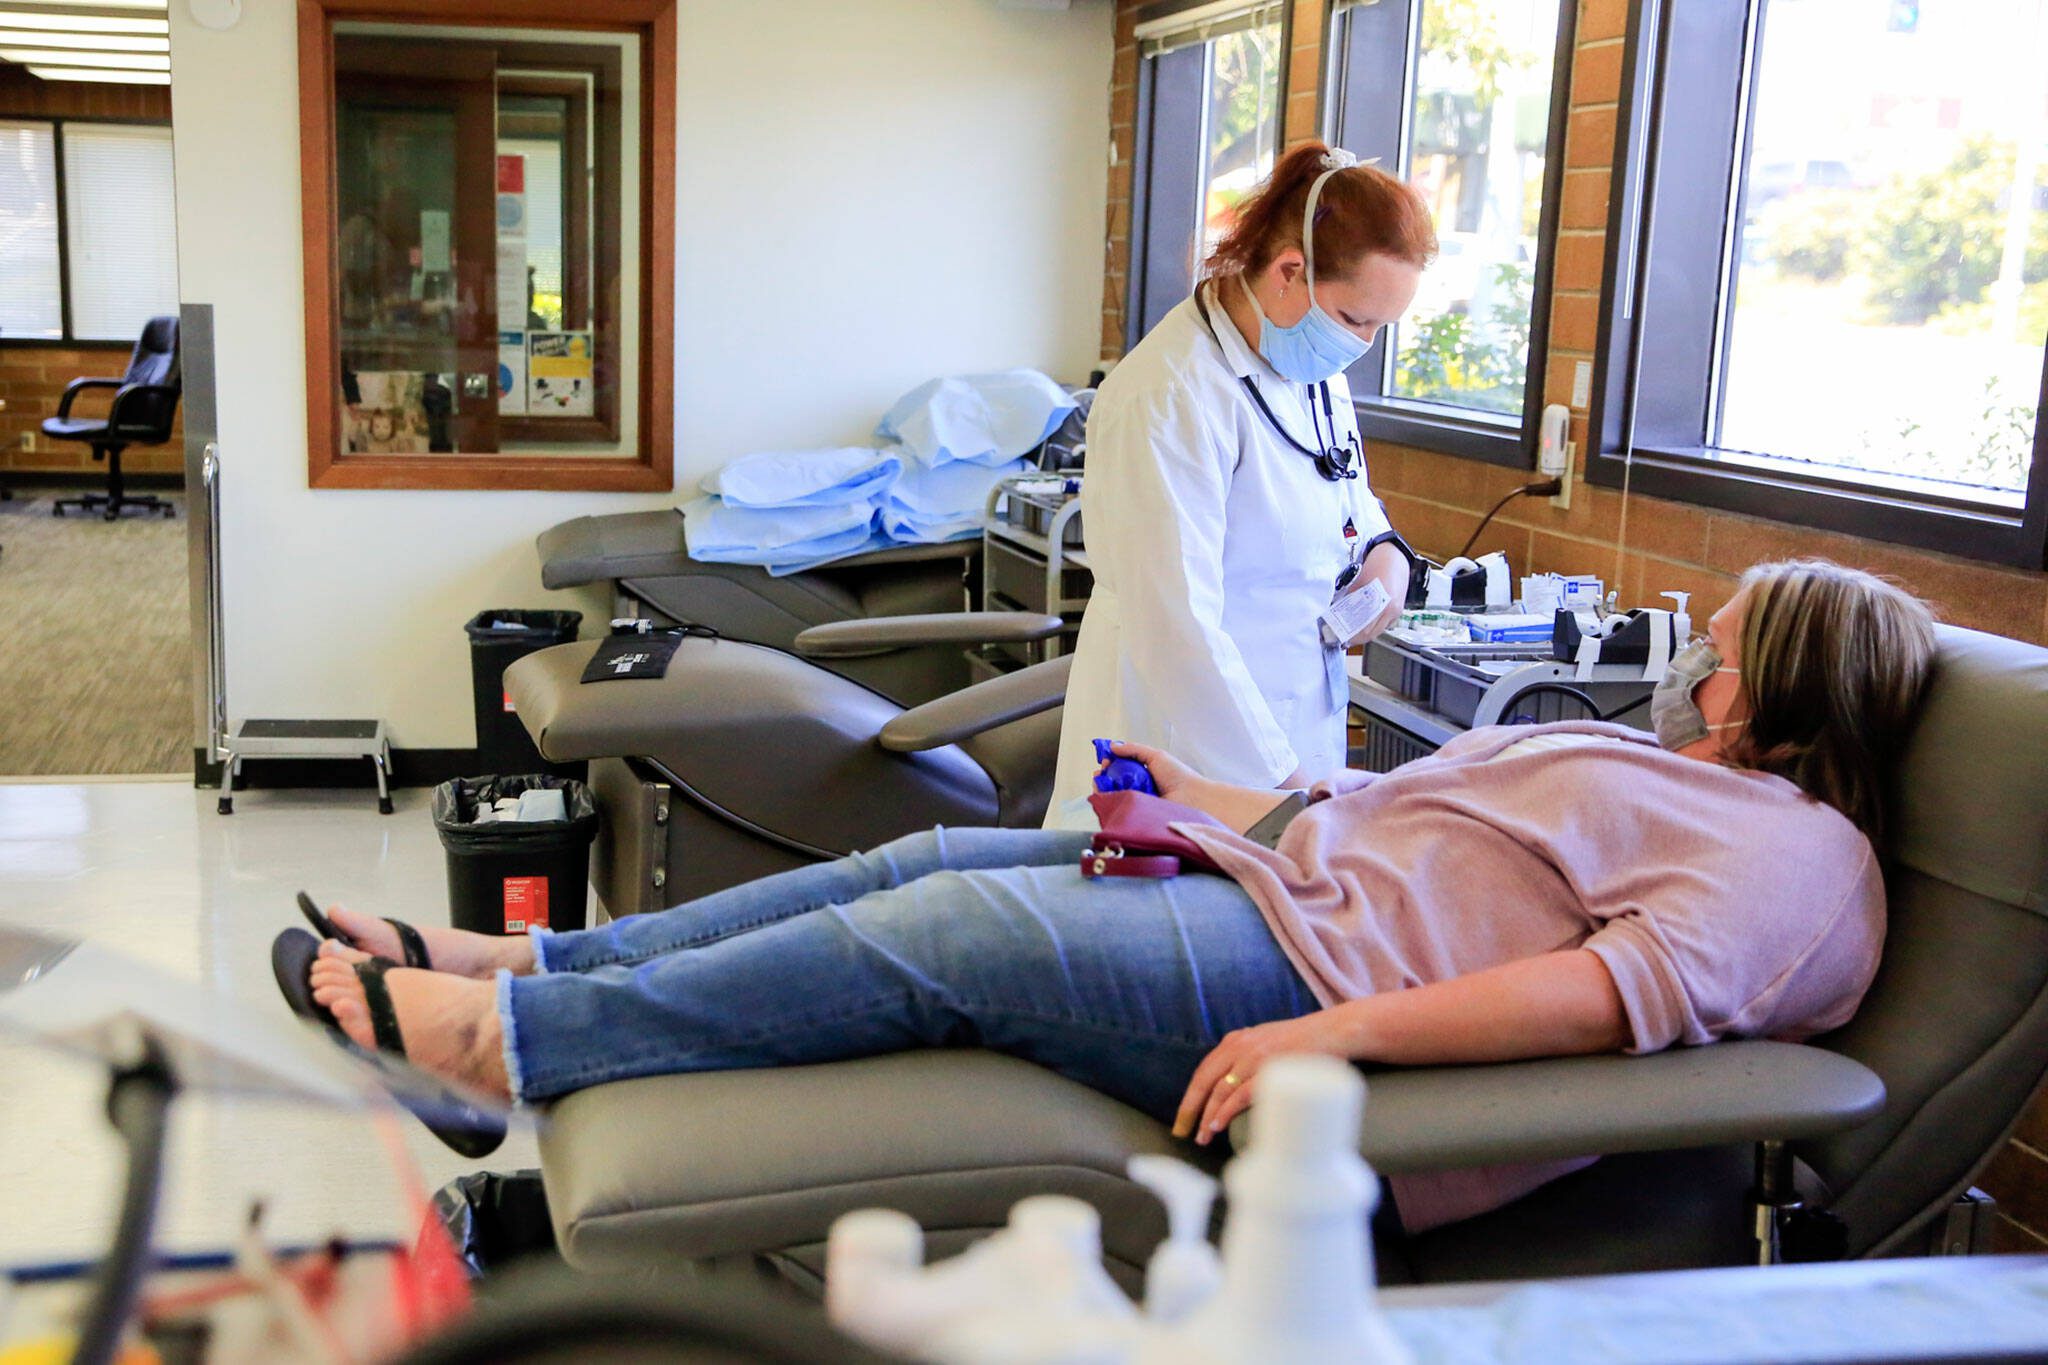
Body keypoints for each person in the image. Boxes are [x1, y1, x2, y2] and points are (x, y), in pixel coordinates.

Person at [291, 560, 1936, 1231]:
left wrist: (1339, 1041)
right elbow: (1366, 807)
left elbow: (1602, 1003)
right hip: (1269, 892)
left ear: (1777, 681)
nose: (1692, 652)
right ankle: (536, 963)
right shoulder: (1681, 781)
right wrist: (1197, 802)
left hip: (1295, 982)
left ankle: (516, 1045)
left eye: (1722, 639)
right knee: (916, 861)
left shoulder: (1799, 858)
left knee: (940, 941)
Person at [1046, 142, 1437, 824]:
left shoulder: (1312, 372)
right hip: (1189, 760)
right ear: (1290, 271)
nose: (1364, 345)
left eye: (1382, 326)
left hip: (1296, 741)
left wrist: (1388, 558)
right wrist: (1285, 794)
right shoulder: (1168, 394)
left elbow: (1344, 490)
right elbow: (1177, 629)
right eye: (1355, 320)